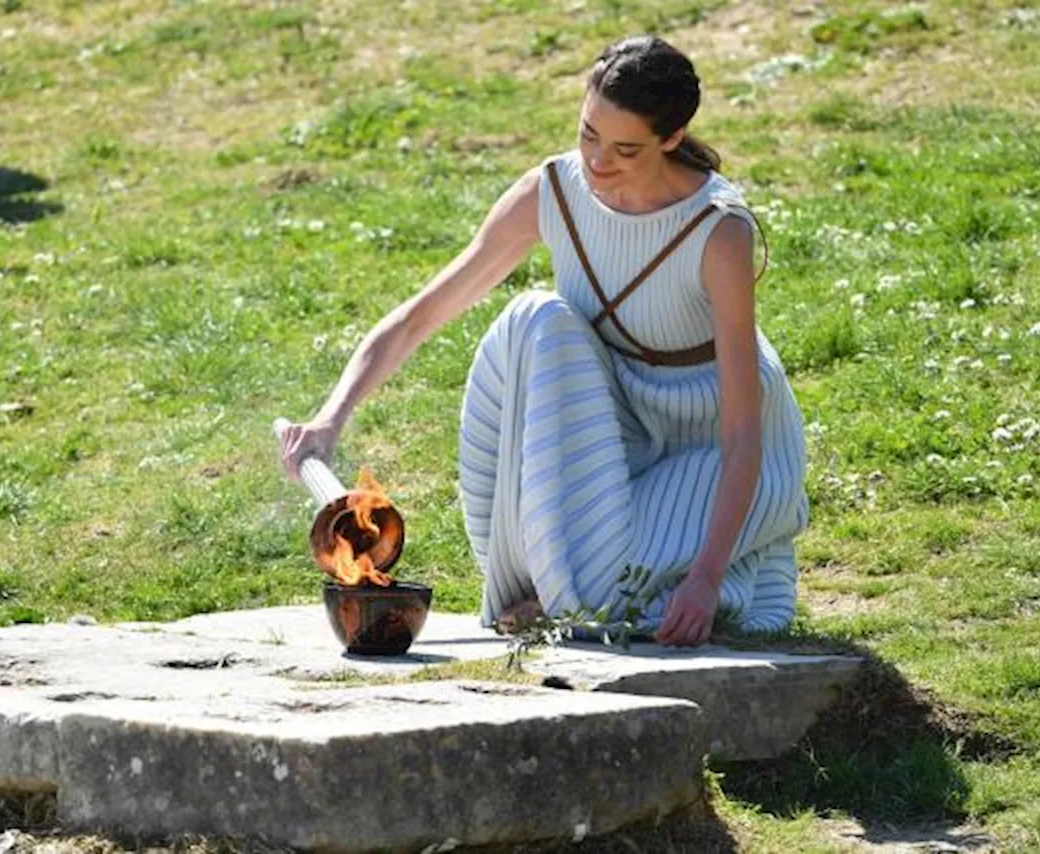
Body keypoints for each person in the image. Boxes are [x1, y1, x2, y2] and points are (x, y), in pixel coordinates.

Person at [279, 34, 810, 647]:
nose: (598, 163)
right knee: (535, 317)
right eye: (588, 134)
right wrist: (329, 419)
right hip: (610, 425)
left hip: (709, 448)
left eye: (625, 149)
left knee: (618, 597)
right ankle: (552, 586)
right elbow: (421, 315)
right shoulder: (552, 191)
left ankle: (635, 580)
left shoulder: (718, 231)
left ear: (671, 138)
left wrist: (707, 577)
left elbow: (745, 431)